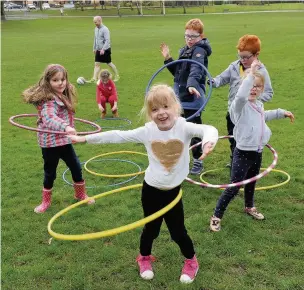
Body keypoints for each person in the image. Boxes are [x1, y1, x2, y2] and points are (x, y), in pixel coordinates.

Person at [69, 84, 218, 283]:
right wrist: (84, 139)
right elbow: (117, 136)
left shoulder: (184, 127)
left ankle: (191, 261)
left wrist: (208, 141)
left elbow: (208, 129)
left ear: (175, 106)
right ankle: (144, 257)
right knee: (151, 229)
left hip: (173, 192)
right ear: (149, 113)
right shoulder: (148, 131)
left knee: (178, 231)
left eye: (165, 106)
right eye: (155, 109)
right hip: (151, 189)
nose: (161, 113)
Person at [209, 60, 294, 232]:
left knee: (252, 182)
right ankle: (216, 216)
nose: (254, 89)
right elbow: (240, 96)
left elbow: (262, 116)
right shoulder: (238, 106)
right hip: (243, 153)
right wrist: (250, 75)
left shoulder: (258, 104)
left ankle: (249, 206)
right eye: (251, 86)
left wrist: (280, 113)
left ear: (261, 89)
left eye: (257, 86)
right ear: (244, 86)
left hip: (257, 152)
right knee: (234, 187)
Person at [22, 64, 95, 213]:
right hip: (50, 143)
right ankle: (45, 202)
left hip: (64, 141)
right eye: (55, 80)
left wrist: (70, 133)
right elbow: (49, 118)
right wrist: (66, 127)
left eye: (63, 79)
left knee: (76, 167)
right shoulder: (48, 100)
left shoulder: (62, 95)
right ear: (48, 82)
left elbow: (64, 117)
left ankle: (80, 194)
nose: (61, 83)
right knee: (50, 173)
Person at [208, 34, 273, 167]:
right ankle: (235, 161)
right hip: (233, 112)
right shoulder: (234, 66)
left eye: (246, 57)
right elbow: (222, 78)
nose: (242, 60)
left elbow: (269, 93)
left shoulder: (261, 71)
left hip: (249, 114)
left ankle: (247, 164)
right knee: (234, 138)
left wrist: (254, 97)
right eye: (240, 56)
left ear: (256, 55)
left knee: (246, 140)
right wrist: (213, 82)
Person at [160, 18, 212, 175]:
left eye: (193, 36)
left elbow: (196, 69)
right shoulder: (184, 50)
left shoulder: (199, 51)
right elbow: (177, 73)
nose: (189, 40)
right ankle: (180, 159)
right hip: (179, 99)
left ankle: (198, 160)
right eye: (187, 36)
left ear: (201, 36)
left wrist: (191, 84)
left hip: (192, 100)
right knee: (177, 130)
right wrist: (168, 58)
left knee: (194, 132)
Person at [91, 16, 119, 83]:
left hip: (105, 50)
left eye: (96, 22)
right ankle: (94, 78)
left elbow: (107, 40)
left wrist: (103, 49)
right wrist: (94, 48)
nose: (95, 24)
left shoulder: (105, 29)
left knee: (109, 63)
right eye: (94, 22)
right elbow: (95, 39)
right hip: (98, 49)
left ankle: (117, 75)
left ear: (100, 21)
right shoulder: (95, 29)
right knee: (96, 64)